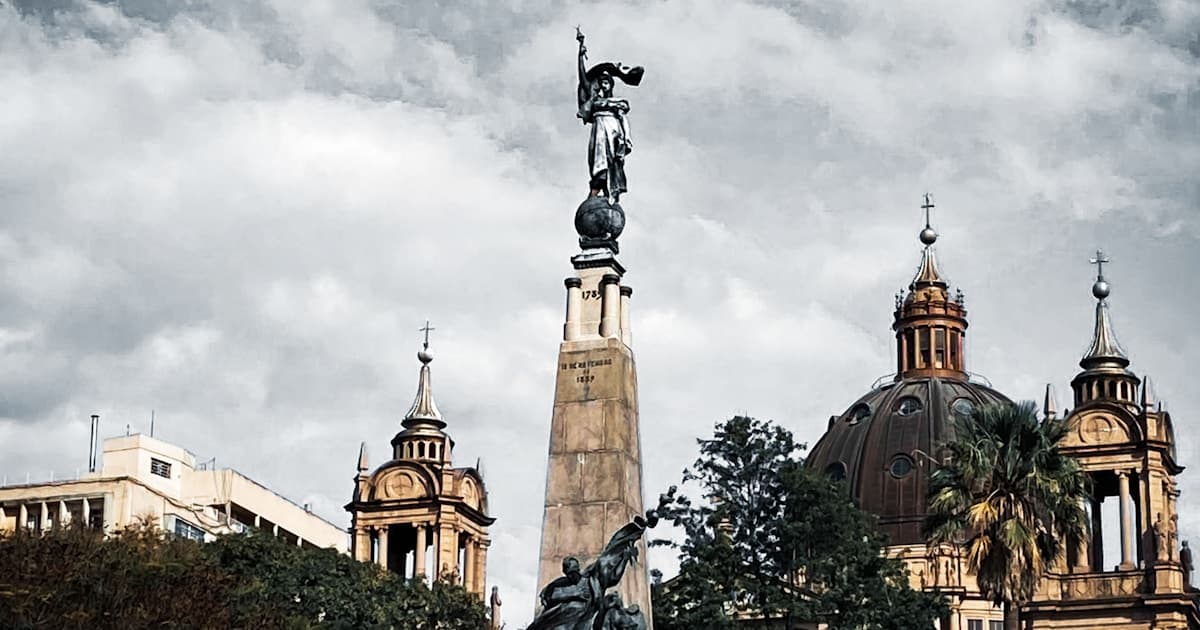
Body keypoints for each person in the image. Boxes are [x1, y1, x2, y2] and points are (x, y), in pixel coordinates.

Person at [527, 514, 655, 630]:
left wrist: (624, 558)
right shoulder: (561, 585)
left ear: (578, 569)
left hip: (585, 620)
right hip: (563, 621)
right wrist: (574, 596)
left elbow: (612, 573)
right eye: (570, 573)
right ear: (566, 573)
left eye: (575, 571)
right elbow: (551, 596)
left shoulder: (590, 581)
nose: (573, 575)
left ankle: (636, 528)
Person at [575, 29, 643, 204]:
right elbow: (583, 78)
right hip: (599, 127)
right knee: (597, 158)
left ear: (610, 85)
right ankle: (597, 187)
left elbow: (623, 120)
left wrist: (627, 138)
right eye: (601, 82)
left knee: (612, 159)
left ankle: (607, 190)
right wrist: (580, 55)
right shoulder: (594, 100)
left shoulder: (617, 102)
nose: (602, 85)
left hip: (612, 129)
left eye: (606, 82)